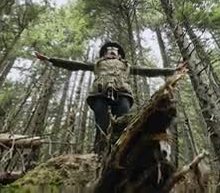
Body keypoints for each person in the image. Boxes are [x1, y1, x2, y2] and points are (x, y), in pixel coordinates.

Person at [34, 41, 185, 154]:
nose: (112, 52)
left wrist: (173, 70)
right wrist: (50, 59)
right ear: (104, 54)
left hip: (122, 93)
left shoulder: (126, 65)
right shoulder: (97, 64)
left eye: (115, 51)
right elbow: (75, 64)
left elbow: (149, 71)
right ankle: (99, 153)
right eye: (109, 51)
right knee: (102, 125)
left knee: (122, 124)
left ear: (119, 55)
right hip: (100, 93)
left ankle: (121, 152)